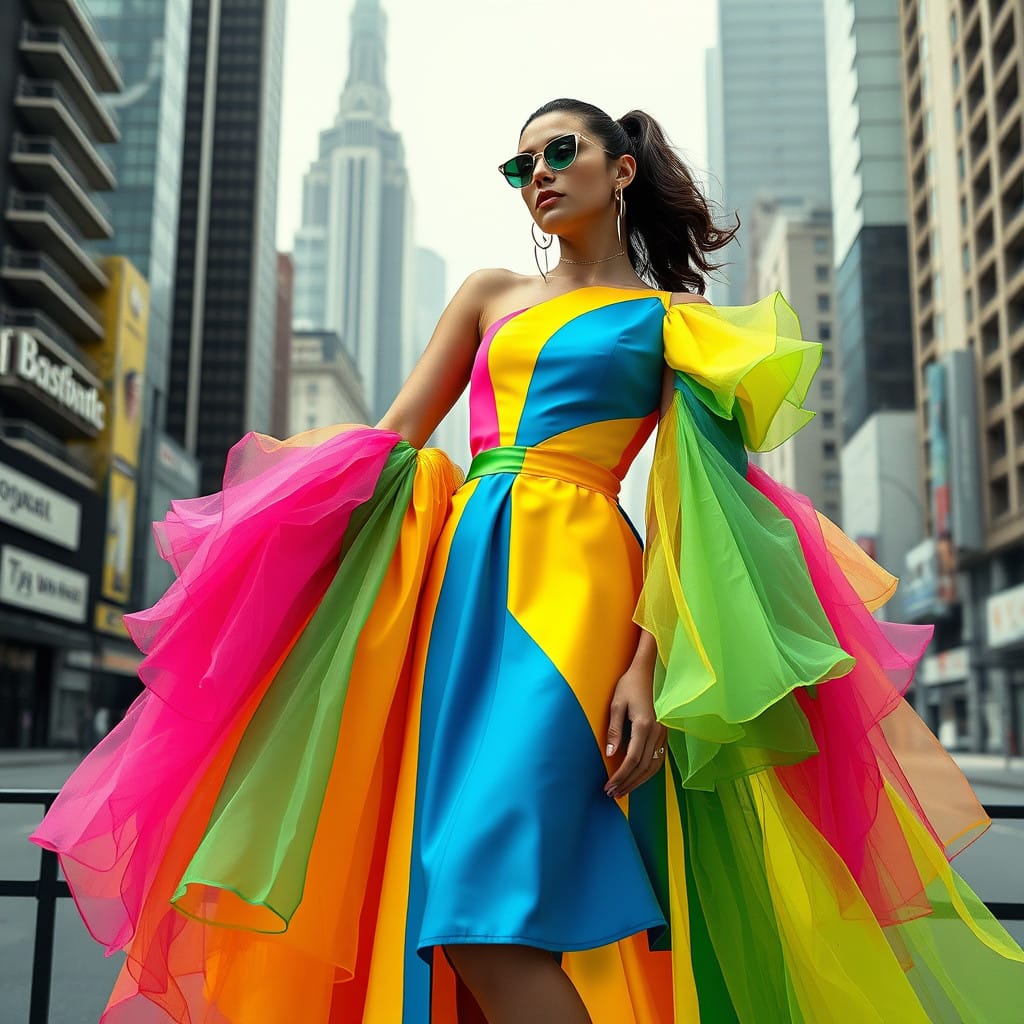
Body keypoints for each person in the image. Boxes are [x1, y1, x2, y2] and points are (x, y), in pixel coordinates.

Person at [31, 99, 1024, 1023]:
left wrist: (646, 664)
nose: (538, 173)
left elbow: (697, 516)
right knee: (452, 899)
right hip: (459, 592)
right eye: (521, 163)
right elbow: (395, 437)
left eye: (561, 151)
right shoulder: (488, 293)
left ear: (621, 168)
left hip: (581, 592)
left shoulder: (672, 323)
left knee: (479, 905)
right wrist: (273, 550)